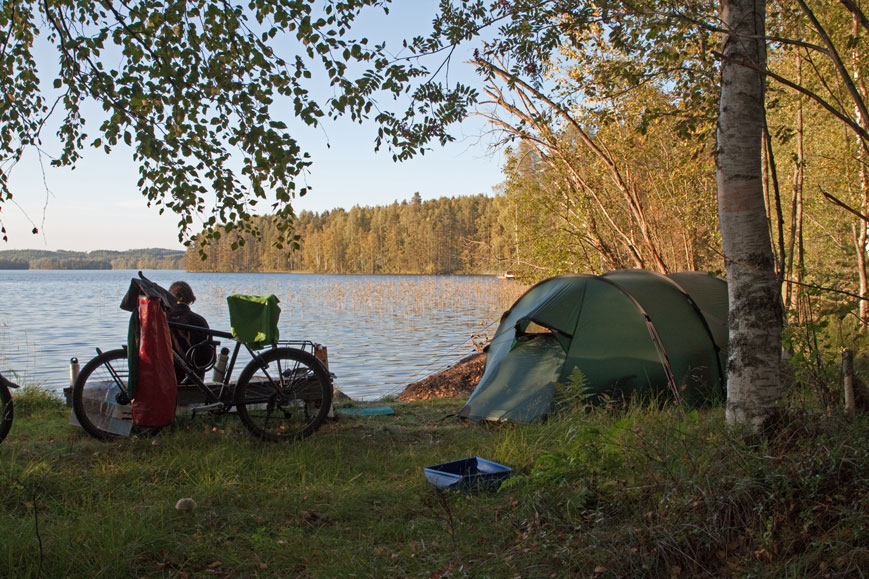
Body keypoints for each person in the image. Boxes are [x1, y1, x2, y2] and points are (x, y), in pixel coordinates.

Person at [167, 281, 214, 383]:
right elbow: (208, 357)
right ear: (191, 298)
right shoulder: (199, 321)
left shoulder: (162, 319)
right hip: (193, 380)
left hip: (166, 378)